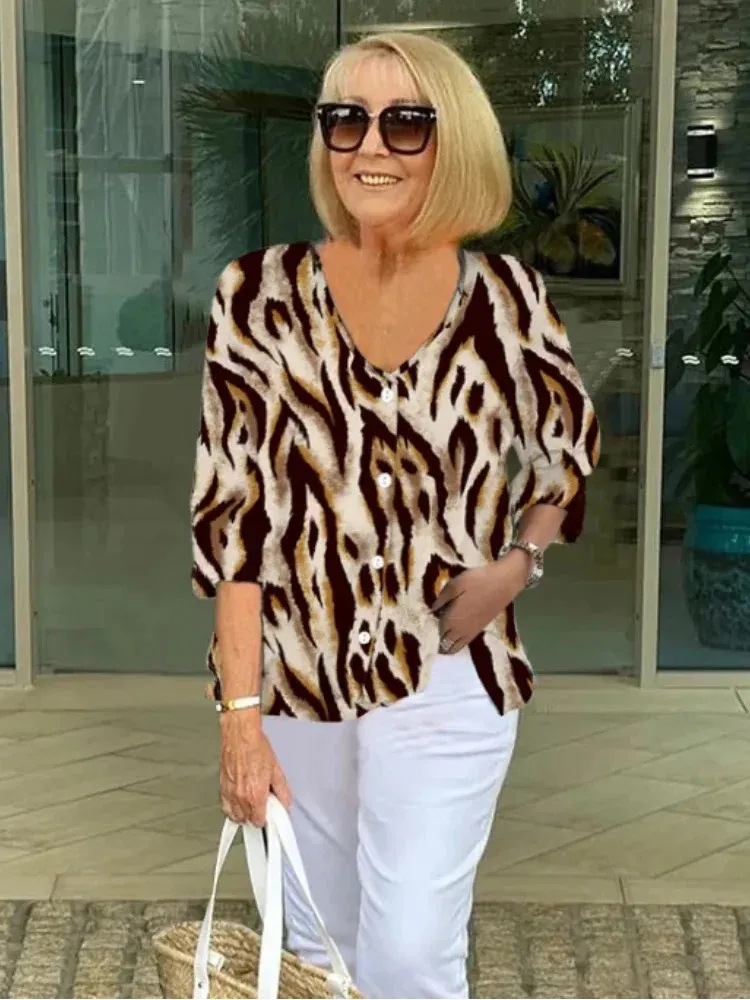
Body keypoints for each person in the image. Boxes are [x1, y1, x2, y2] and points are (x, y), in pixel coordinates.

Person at [190, 30, 600, 1000]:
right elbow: (233, 526)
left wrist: (518, 564)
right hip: (297, 677)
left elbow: (568, 453)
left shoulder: (507, 300)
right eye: (346, 119)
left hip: (449, 670)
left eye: (405, 122)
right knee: (318, 948)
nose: (370, 145)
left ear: (451, 143)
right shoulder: (256, 297)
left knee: (412, 952)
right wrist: (240, 720)